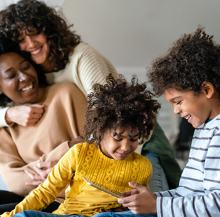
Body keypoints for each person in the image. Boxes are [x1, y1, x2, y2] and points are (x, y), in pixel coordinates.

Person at [0, 0, 182, 194]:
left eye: (35, 33)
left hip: (138, 143)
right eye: (20, 39)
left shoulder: (81, 58)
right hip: (103, 155)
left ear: (49, 30)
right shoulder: (34, 75)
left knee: (154, 209)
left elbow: (115, 115)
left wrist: (66, 163)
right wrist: (8, 114)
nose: (30, 43)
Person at [90, 27, 220, 217]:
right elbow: (187, 194)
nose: (176, 111)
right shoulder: (204, 128)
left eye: (178, 101)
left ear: (207, 89)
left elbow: (216, 206)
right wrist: (150, 199)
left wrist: (156, 205)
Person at [0, 74, 160, 217]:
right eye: (118, 138)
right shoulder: (79, 153)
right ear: (100, 130)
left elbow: (136, 205)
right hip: (70, 216)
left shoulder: (143, 166)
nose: (126, 147)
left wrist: (124, 208)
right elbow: (45, 192)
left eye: (133, 139)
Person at [0, 35, 87, 213]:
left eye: (26, 67)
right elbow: (14, 182)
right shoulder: (6, 129)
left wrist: (32, 171)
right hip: (36, 198)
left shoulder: (65, 94)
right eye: (11, 75)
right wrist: (68, 148)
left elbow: (93, 145)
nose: (24, 77)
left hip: (72, 196)